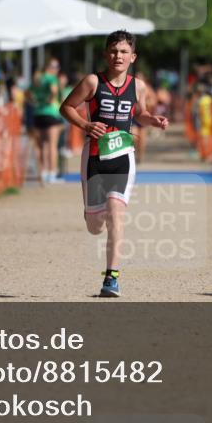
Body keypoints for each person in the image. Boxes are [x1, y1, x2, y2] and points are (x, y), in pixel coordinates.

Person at [60, 30, 169, 297]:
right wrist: (86, 124)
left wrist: (152, 119)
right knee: (96, 225)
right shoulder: (92, 82)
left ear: (132, 57)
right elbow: (66, 107)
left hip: (123, 156)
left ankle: (112, 277)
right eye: (113, 51)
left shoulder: (138, 86)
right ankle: (90, 212)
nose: (117, 56)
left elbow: (139, 113)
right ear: (105, 54)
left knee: (117, 212)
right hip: (95, 157)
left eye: (123, 52)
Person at [29, 59, 63, 184]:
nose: (57, 69)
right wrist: (51, 99)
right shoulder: (51, 78)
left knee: (41, 145)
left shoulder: (37, 78)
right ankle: (52, 173)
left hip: (38, 113)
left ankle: (43, 172)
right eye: (56, 66)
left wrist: (35, 102)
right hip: (51, 113)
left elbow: (28, 93)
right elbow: (54, 91)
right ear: (51, 67)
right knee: (52, 146)